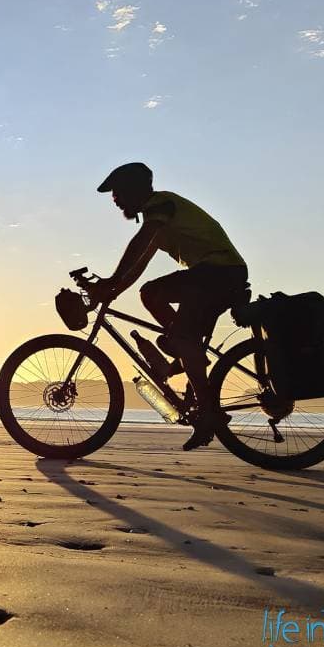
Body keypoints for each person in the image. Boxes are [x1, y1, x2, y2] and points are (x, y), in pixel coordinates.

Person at [88, 162, 249, 450]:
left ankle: (206, 405)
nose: (114, 200)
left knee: (161, 306)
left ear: (133, 190)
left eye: (117, 193)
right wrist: (112, 290)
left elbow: (138, 245)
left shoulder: (160, 206)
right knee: (152, 295)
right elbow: (139, 264)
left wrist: (111, 280)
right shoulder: (157, 219)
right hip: (217, 274)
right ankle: (185, 352)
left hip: (219, 272)